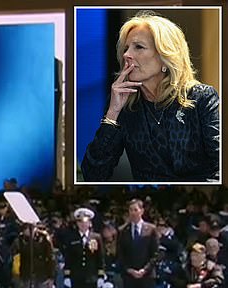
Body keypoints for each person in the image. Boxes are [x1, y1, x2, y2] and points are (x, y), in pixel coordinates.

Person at [81, 11, 219, 182]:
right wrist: (112, 114)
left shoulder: (202, 98)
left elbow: (220, 168)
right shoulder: (123, 105)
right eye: (125, 48)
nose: (126, 55)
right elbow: (93, 175)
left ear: (165, 57)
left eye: (138, 47)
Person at [117, 199, 159, 288]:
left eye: (135, 210)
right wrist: (129, 270)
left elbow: (155, 254)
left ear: (142, 211)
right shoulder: (122, 230)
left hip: (147, 277)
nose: (133, 213)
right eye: (131, 210)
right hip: (129, 277)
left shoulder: (151, 229)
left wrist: (144, 270)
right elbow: (120, 254)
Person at [61, 208, 105, 288]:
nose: (83, 224)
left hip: (91, 278)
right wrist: (67, 276)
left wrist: (100, 276)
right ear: (77, 223)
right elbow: (68, 258)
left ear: (90, 223)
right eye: (80, 221)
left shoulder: (96, 237)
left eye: (85, 221)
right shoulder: (71, 237)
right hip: (76, 278)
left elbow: (100, 258)